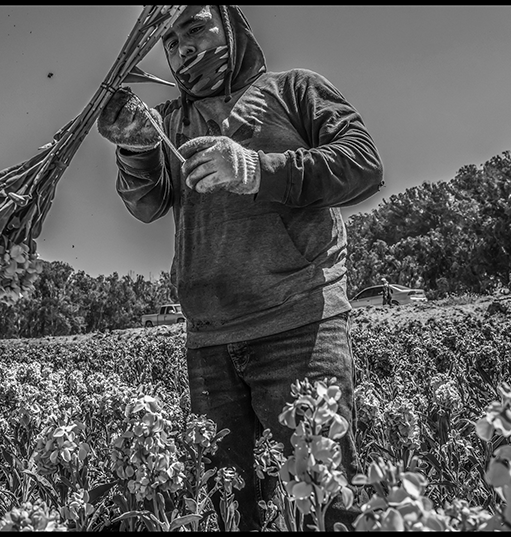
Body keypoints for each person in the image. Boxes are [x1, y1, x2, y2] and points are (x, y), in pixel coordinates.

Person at [96, 5, 383, 530]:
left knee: (327, 500)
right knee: (227, 509)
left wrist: (255, 168)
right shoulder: (169, 122)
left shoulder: (294, 90)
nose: (183, 48)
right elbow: (146, 204)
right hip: (208, 338)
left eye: (195, 27)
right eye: (170, 40)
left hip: (298, 324)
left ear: (230, 24)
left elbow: (363, 164)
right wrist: (136, 149)